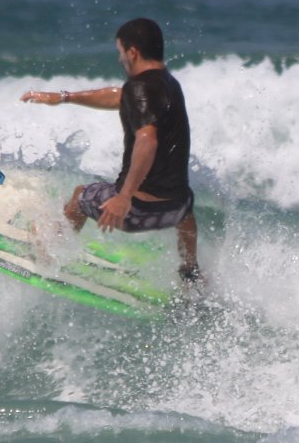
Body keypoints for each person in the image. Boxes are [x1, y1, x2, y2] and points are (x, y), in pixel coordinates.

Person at [20, 18, 200, 282]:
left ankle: (48, 255)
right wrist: (64, 97)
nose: (120, 59)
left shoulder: (138, 88)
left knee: (80, 196)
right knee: (187, 212)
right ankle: (190, 273)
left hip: (136, 211)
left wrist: (124, 197)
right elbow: (119, 96)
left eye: (120, 52)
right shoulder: (169, 85)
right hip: (176, 209)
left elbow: (147, 140)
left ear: (133, 52)